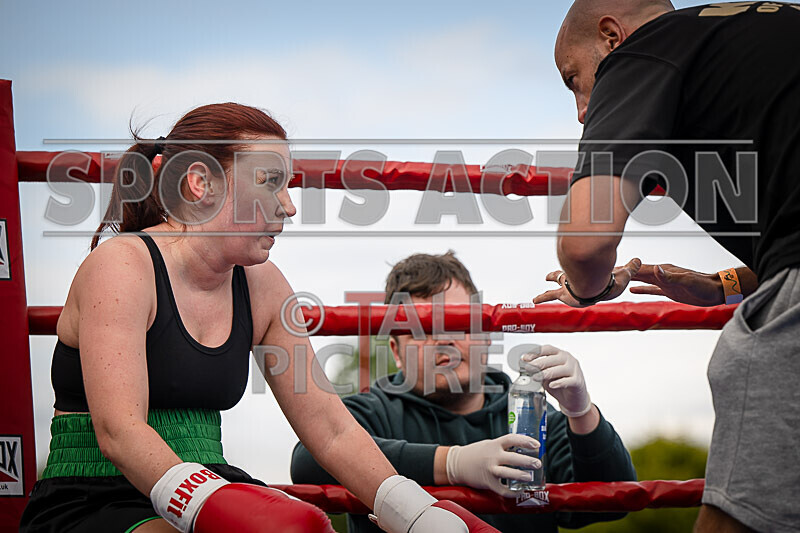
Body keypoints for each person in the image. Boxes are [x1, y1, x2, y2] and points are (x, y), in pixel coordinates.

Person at [20, 104, 497, 533]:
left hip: (209, 483)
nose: (288, 206)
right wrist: (214, 507)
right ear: (200, 183)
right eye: (270, 183)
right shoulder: (122, 266)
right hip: (95, 497)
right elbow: (119, 433)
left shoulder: (261, 284)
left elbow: (330, 429)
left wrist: (412, 510)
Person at [537, 1, 800, 531]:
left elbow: (586, 245)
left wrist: (587, 289)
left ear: (611, 36)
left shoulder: (643, 52)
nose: (583, 110)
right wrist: (723, 284)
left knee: (737, 514)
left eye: (575, 80)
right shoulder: (764, 32)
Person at [291, 251, 636, 533]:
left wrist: (583, 414)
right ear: (396, 351)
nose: (443, 339)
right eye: (423, 328)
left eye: (457, 321)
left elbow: (612, 501)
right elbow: (307, 459)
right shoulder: (369, 413)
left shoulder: (531, 414)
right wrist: (452, 463)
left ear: (485, 335)